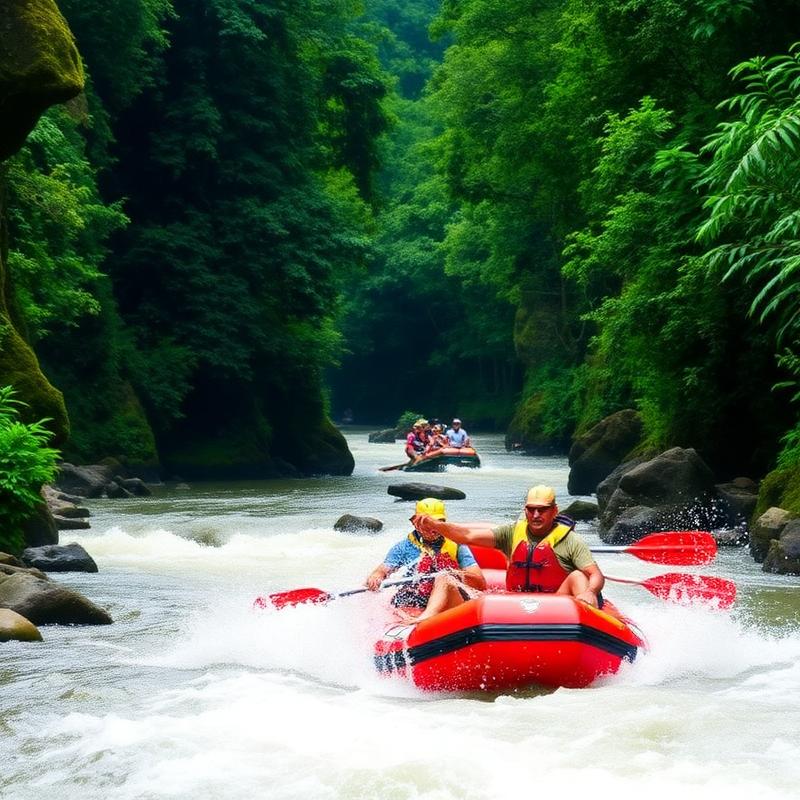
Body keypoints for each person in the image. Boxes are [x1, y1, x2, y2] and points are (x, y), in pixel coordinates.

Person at [414, 485, 604, 607]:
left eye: (542, 509)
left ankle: (589, 617)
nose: (536, 515)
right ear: (526, 511)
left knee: (579, 576)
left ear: (554, 510)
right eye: (531, 509)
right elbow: (467, 535)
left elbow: (595, 575)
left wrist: (590, 591)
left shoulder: (571, 540)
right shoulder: (511, 533)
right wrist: (436, 525)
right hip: (515, 604)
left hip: (557, 604)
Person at [365, 498, 486, 621]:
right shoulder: (404, 547)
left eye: (437, 522)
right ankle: (420, 623)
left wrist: (454, 574)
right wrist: (376, 576)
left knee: (444, 578)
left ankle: (424, 619)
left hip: (450, 600)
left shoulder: (457, 545)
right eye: (427, 524)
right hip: (418, 601)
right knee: (402, 600)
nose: (433, 528)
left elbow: (480, 582)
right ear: (415, 523)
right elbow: (382, 570)